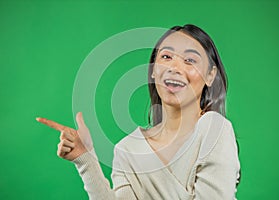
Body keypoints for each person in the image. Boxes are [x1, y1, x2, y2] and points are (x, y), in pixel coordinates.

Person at [37, 24, 241, 199]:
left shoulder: (215, 129)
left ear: (210, 75)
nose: (175, 67)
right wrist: (85, 159)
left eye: (190, 60)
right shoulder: (128, 149)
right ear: (153, 69)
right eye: (166, 56)